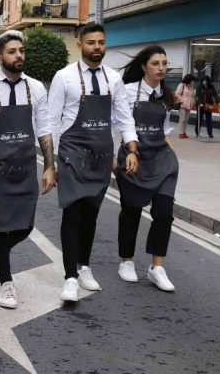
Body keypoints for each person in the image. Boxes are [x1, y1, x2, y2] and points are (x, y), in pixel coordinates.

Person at [47, 24, 139, 302]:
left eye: (100, 42)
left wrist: (131, 148)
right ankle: (70, 278)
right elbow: (52, 121)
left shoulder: (114, 79)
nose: (96, 47)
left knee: (90, 215)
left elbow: (124, 117)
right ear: (80, 45)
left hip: (101, 155)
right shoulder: (64, 78)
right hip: (72, 154)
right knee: (73, 214)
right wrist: (49, 163)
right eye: (91, 42)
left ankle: (84, 266)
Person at [0, 31, 56, 309]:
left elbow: (43, 129)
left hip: (25, 169)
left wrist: (49, 167)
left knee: (25, 225)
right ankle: (6, 282)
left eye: (21, 50)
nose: (19, 55)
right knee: (0, 228)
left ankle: (1, 251)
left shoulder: (36, 88)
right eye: (12, 51)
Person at [115, 46, 179, 292]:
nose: (161, 68)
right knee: (131, 211)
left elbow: (164, 130)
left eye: (164, 63)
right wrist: (113, 155)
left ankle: (156, 267)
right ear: (144, 66)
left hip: (162, 161)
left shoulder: (168, 96)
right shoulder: (128, 92)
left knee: (164, 212)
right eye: (156, 63)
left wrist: (172, 158)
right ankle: (126, 261)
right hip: (133, 159)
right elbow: (116, 124)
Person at [174, 74, 195, 138]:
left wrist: (193, 103)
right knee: (182, 119)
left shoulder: (191, 87)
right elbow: (177, 94)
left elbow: (192, 96)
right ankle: (181, 133)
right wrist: (182, 100)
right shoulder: (181, 85)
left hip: (189, 106)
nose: (193, 82)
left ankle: (184, 132)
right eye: (192, 80)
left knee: (186, 120)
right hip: (182, 105)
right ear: (189, 80)